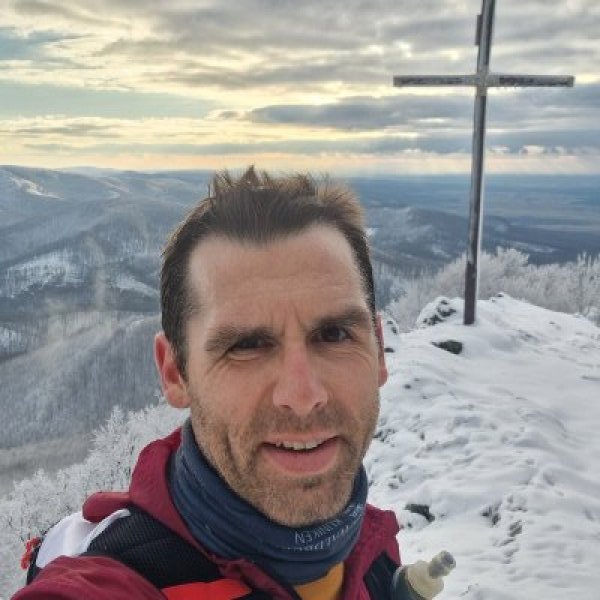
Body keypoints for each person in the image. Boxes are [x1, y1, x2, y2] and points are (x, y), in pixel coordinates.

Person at [13, 167, 400, 600]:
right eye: (246, 345)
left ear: (379, 351)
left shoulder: (376, 550)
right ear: (175, 374)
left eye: (335, 335)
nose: (303, 395)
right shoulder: (115, 585)